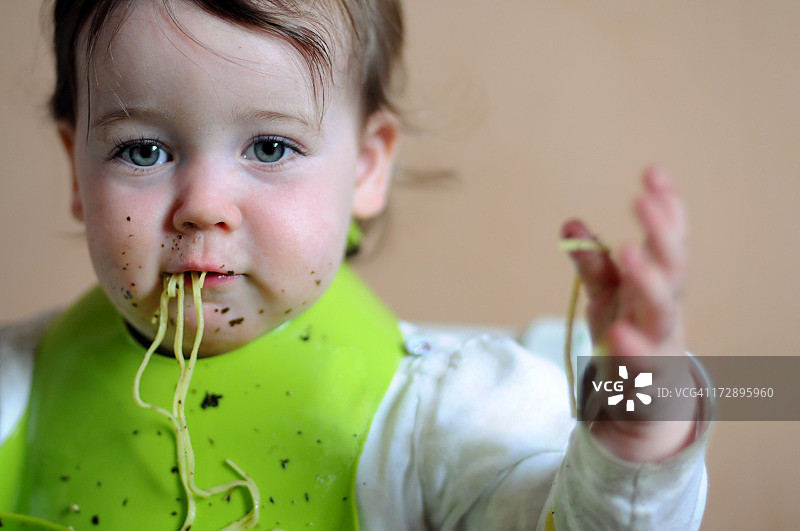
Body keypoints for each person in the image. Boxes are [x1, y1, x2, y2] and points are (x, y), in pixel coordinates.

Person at [0, 0, 708, 529]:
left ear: (367, 169)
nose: (204, 207)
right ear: (75, 171)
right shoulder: (19, 386)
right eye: (143, 150)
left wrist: (636, 426)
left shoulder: (440, 416)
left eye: (271, 147)